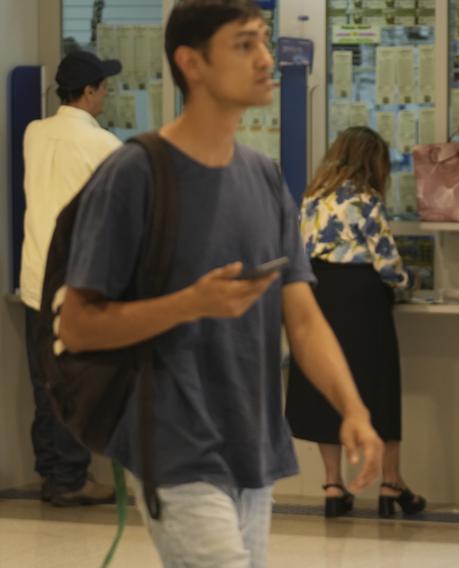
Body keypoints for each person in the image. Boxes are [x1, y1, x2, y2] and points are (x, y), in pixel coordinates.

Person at [57, 2, 383, 566]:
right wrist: (188, 304)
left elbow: (302, 317)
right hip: (171, 441)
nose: (265, 59)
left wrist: (353, 409)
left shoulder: (263, 177)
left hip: (253, 443)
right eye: (244, 44)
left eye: (264, 41)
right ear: (192, 62)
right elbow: (79, 325)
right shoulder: (136, 173)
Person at [285, 126, 427, 519]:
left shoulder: (311, 200)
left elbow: (297, 251)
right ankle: (390, 484)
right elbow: (387, 265)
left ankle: (333, 486)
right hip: (361, 299)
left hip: (316, 294)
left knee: (325, 388)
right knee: (379, 390)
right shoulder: (367, 200)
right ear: (372, 162)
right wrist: (410, 283)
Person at [20, 49, 122, 507]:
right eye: (103, 87)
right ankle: (70, 479)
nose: (106, 95)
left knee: (44, 379)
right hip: (76, 283)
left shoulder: (34, 134)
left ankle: (53, 473)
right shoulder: (104, 146)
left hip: (34, 278)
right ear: (87, 92)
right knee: (73, 381)